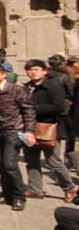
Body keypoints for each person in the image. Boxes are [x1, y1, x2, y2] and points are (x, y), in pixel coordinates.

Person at [0, 61, 35, 211]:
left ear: (3, 75)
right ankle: (6, 194)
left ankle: (19, 196)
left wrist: (29, 131)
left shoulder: (16, 90)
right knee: (1, 163)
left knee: (10, 164)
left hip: (14, 131)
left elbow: (28, 111)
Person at [22, 60, 78, 203]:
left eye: (36, 69)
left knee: (53, 160)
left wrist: (32, 109)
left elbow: (59, 107)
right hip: (29, 128)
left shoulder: (53, 86)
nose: (33, 72)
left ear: (44, 71)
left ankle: (69, 188)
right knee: (31, 159)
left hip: (49, 127)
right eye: (29, 69)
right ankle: (35, 188)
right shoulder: (26, 87)